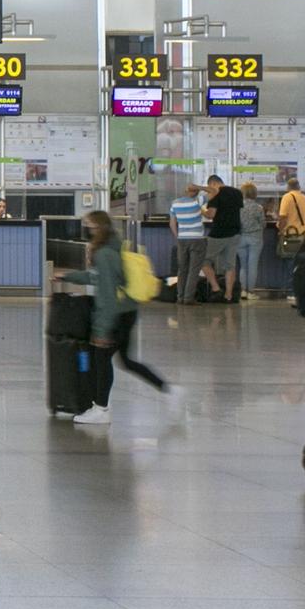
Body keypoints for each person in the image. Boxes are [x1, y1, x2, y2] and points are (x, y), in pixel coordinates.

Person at [57, 210, 174, 426]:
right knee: (125, 361)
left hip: (116, 314)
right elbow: (99, 277)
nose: (86, 230)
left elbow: (108, 293)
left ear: (98, 228)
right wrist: (68, 276)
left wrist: (102, 329)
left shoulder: (104, 254)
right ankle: (169, 391)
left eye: (89, 226)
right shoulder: (114, 246)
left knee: (100, 359)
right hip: (127, 310)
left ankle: (101, 409)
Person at [201, 174, 244, 303]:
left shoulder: (215, 193)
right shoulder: (237, 192)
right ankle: (229, 295)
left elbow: (210, 215)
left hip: (219, 234)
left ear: (213, 184)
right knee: (230, 265)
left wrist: (201, 209)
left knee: (203, 260)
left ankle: (216, 288)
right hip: (235, 232)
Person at [169, 183, 208, 304]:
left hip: (182, 239)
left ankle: (180, 297)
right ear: (196, 192)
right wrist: (200, 187)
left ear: (185, 191)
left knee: (182, 269)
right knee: (194, 269)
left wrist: (178, 236)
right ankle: (188, 298)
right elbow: (214, 191)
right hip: (197, 239)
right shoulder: (197, 201)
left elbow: (172, 223)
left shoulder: (175, 203)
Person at [278, 178, 305, 299]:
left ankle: (292, 291)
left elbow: (283, 217)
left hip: (291, 236)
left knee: (290, 263)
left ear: (288, 187)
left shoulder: (287, 197)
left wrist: (280, 230)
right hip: (303, 236)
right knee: (300, 264)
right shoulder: (304, 198)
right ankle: (300, 290)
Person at [236, 182, 266, 304]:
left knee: (243, 265)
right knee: (252, 265)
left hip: (240, 238)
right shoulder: (258, 208)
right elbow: (263, 224)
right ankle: (250, 292)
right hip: (255, 238)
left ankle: (242, 291)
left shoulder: (237, 207)